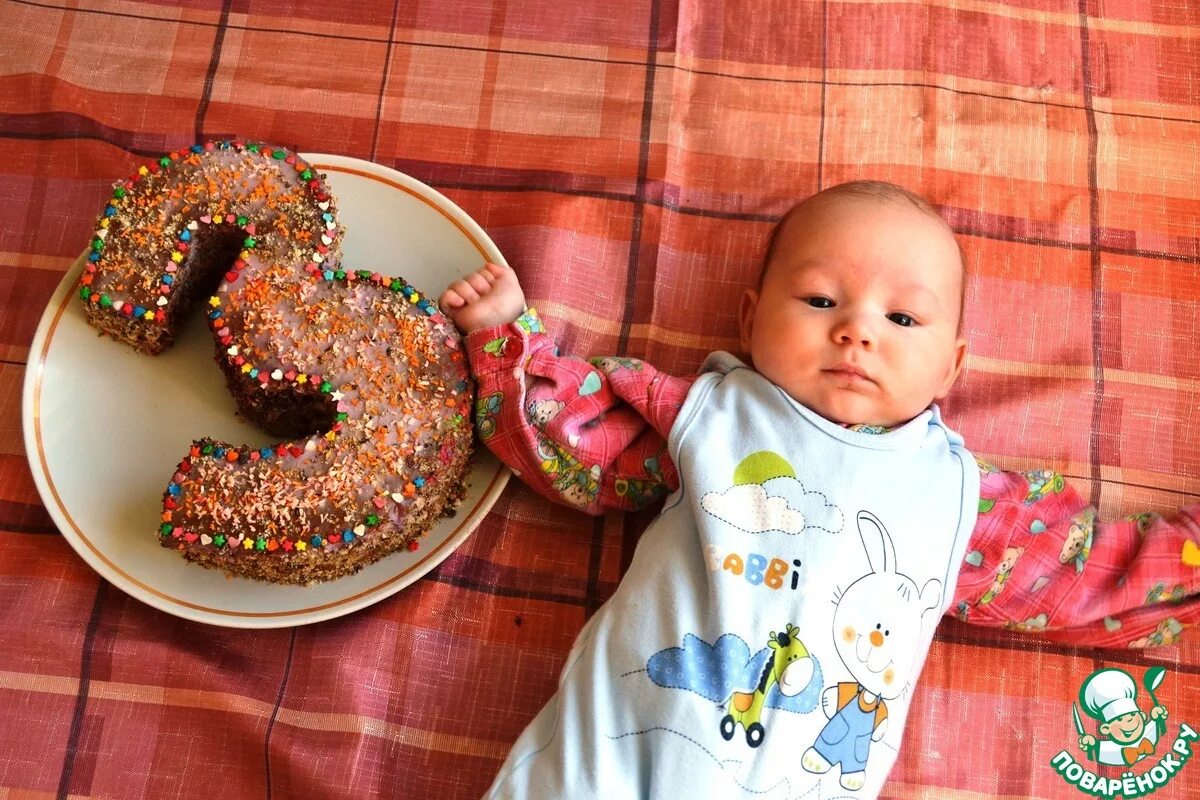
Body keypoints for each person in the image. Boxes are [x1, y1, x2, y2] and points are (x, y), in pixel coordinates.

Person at [438, 181, 1200, 798]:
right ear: (752, 317)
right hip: (602, 766)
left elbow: (1087, 579)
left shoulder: (957, 499)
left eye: (902, 317)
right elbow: (573, 446)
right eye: (820, 300)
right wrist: (507, 336)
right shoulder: (708, 415)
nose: (858, 331)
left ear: (951, 369)